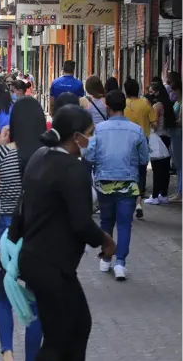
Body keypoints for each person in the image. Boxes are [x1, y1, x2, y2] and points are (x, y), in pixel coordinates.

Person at [18, 105, 116, 361]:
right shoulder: (73, 169)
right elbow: (81, 222)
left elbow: (23, 205)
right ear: (75, 137)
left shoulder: (40, 156)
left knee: (78, 325)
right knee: (59, 337)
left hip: (39, 259)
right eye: (89, 133)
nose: (91, 139)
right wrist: (105, 241)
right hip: (51, 264)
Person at [0, 96, 45, 361]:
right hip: (38, 232)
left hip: (8, 231)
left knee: (2, 295)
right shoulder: (46, 155)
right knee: (36, 300)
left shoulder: (1, 153)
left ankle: (7, 351)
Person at [85, 90, 149, 281]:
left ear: (108, 107)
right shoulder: (136, 130)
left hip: (104, 182)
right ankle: (120, 262)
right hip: (129, 184)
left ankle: (106, 258)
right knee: (124, 224)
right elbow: (144, 158)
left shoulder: (99, 129)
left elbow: (89, 155)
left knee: (106, 221)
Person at [123, 78, 156, 205]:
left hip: (127, 139)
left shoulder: (123, 104)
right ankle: (140, 191)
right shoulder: (146, 103)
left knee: (129, 164)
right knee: (142, 165)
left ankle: (128, 188)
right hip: (143, 138)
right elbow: (154, 123)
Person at [145, 81, 175, 205]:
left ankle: (155, 196)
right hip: (166, 137)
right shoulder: (167, 104)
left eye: (151, 92)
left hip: (157, 137)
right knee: (165, 167)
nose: (150, 94)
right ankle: (164, 194)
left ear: (157, 92)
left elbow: (155, 124)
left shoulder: (156, 106)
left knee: (157, 167)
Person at [168, 74, 182, 201]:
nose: (171, 92)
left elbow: (181, 122)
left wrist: (172, 122)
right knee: (178, 165)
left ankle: (180, 192)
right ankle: (179, 190)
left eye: (173, 90)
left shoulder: (181, 103)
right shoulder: (176, 102)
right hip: (174, 135)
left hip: (179, 136)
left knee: (181, 165)